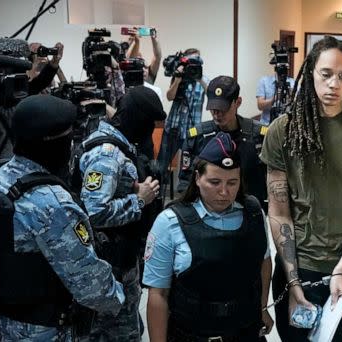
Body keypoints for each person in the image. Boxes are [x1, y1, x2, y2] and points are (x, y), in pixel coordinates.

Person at [259, 36, 342, 341]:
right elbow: (279, 212)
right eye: (326, 74)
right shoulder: (283, 130)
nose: (334, 83)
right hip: (299, 266)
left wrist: (341, 270)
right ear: (311, 73)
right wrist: (293, 284)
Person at [0, 95, 125, 341]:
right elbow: (90, 285)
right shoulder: (52, 203)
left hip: (4, 322)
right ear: (56, 144)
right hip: (46, 329)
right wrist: (118, 297)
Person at [144, 132, 274, 342]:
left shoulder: (253, 213)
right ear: (197, 178)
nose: (224, 192)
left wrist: (262, 307)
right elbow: (158, 294)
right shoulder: (170, 222)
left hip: (245, 333)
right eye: (214, 182)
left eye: (232, 183)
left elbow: (264, 262)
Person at [77, 89, 161, 341]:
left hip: (120, 258)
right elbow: (94, 212)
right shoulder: (107, 153)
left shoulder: (117, 143)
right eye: (148, 122)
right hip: (109, 264)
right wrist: (140, 200)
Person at [178, 76, 269, 212]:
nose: (217, 114)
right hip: (208, 213)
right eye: (213, 108)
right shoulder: (197, 137)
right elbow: (185, 183)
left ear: (237, 102)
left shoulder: (258, 136)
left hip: (250, 211)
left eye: (223, 108)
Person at [157, 48, 209, 193]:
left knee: (189, 172)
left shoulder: (203, 79)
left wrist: (199, 77)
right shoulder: (178, 77)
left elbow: (212, 94)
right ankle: (156, 198)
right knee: (161, 167)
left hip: (192, 132)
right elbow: (169, 96)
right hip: (173, 129)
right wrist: (178, 78)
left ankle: (186, 200)